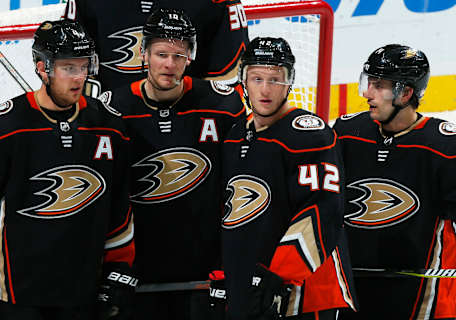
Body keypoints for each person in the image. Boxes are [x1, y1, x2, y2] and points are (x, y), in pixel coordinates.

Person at [0, 19, 135, 320]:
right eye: (67, 68)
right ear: (41, 68)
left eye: (83, 66)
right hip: (15, 294)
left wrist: (117, 269)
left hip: (81, 292)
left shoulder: (109, 127)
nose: (78, 78)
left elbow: (119, 209)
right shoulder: (3, 127)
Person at [99, 8, 246, 320]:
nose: (169, 64)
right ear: (143, 54)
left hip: (203, 274)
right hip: (135, 275)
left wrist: (232, 263)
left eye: (178, 56)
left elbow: (239, 191)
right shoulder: (110, 112)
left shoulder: (224, 106)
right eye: (161, 54)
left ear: (190, 57)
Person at [220, 36, 357, 320]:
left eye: (275, 79)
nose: (266, 89)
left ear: (289, 81)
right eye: (257, 78)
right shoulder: (234, 136)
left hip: (308, 293)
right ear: (243, 80)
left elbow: (322, 212)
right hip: (256, 288)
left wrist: (278, 277)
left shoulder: (309, 135)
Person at [333, 44, 456, 319]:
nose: (367, 93)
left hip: (416, 290)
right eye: (368, 82)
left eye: (378, 85)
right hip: (351, 285)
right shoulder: (346, 133)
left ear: (406, 92)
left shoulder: (445, 147)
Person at [63, 0, 249, 96]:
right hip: (113, 134)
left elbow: (228, 86)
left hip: (191, 134)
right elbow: (70, 73)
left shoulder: (219, 3)